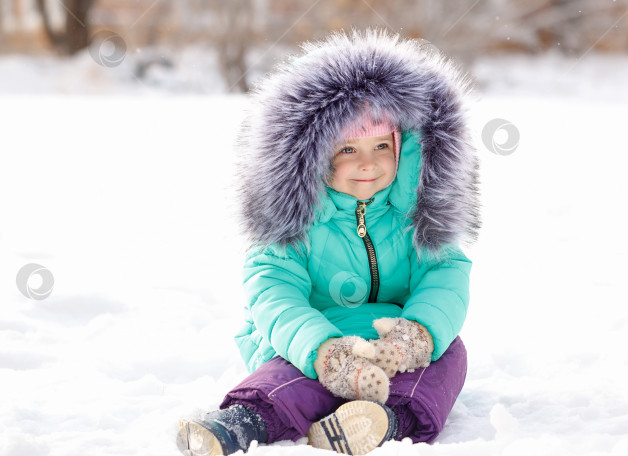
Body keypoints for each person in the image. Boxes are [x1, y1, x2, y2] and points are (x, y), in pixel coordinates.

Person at [176, 28, 481, 456]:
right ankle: (240, 423)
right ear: (314, 156)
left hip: (391, 346)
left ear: (404, 148)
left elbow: (444, 274)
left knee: (448, 357)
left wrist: (417, 336)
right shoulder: (294, 222)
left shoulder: (417, 217)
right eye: (348, 151)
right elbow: (273, 291)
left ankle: (383, 423)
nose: (369, 164)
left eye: (381, 145)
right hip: (313, 344)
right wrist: (324, 353)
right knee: (287, 381)